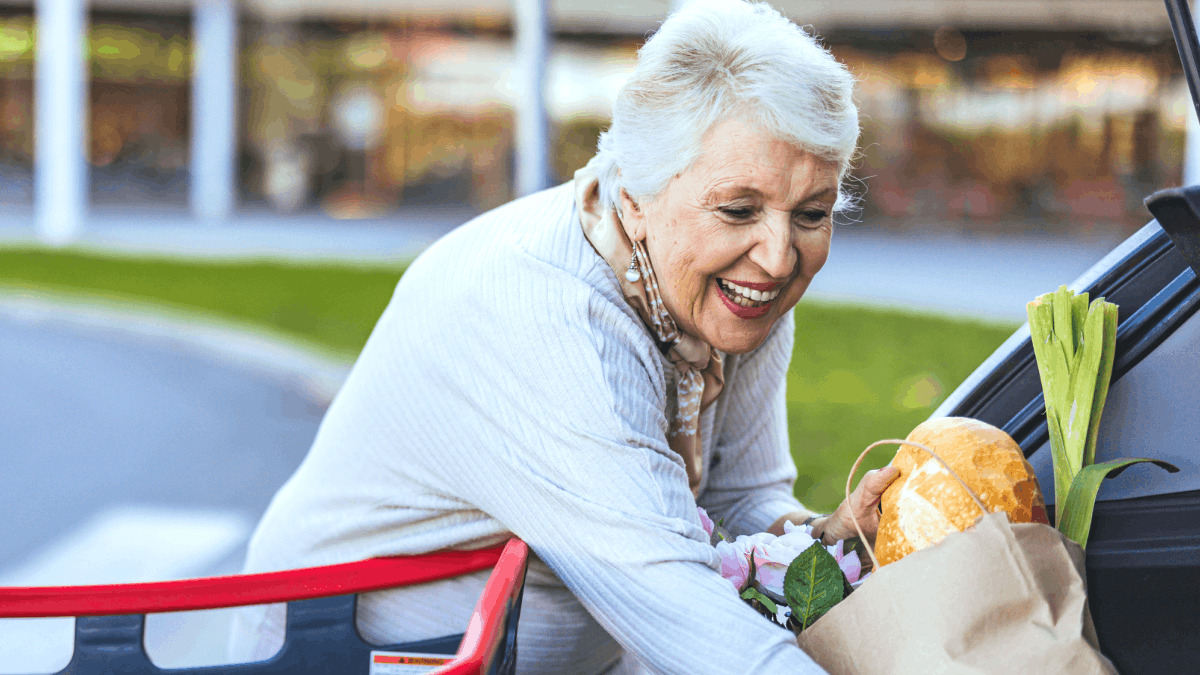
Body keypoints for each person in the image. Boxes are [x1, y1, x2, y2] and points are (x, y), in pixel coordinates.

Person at [231, 0, 899, 672]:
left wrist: (828, 537)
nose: (779, 257)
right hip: (337, 651)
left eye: (811, 213)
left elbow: (740, 502)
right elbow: (675, 606)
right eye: (738, 209)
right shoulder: (550, 315)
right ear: (636, 199)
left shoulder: (727, 289)